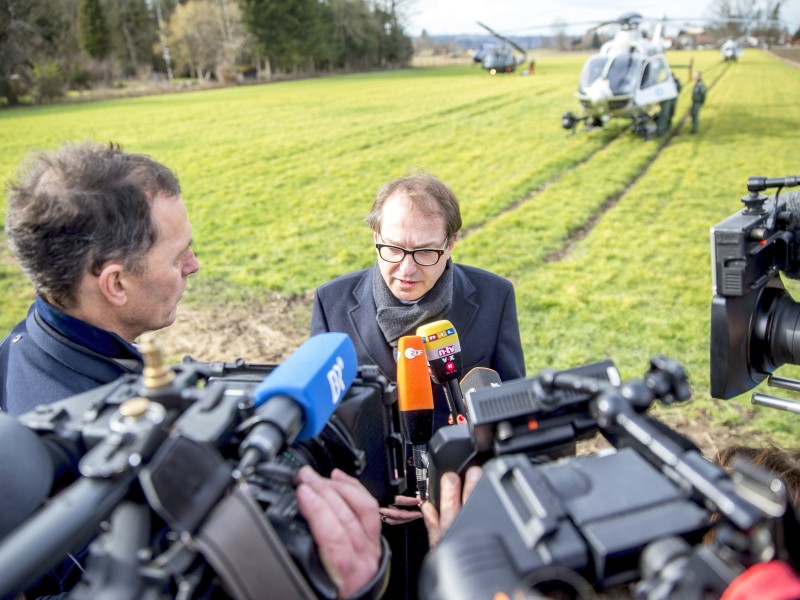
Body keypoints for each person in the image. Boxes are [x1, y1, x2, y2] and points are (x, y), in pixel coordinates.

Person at [0, 141, 389, 600]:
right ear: (115, 283)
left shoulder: (21, 354)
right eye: (178, 255)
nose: (194, 265)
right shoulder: (94, 472)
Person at [310, 172, 526, 599]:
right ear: (375, 233)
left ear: (451, 244)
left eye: (426, 252)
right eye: (392, 248)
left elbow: (511, 411)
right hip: (370, 525)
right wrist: (363, 494)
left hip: (457, 520)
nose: (407, 268)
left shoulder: (494, 296)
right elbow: (320, 423)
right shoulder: (331, 303)